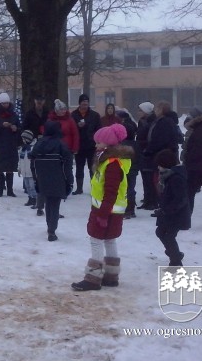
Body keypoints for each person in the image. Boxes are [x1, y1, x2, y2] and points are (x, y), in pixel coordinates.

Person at [72, 123, 132, 291]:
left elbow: (111, 191)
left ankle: (93, 278)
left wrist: (103, 214)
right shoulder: (108, 160)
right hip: (112, 209)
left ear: (108, 144)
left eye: (99, 143)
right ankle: (111, 276)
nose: (96, 145)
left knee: (96, 240)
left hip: (106, 210)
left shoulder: (111, 164)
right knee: (109, 239)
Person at [30, 121, 73, 240]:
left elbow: (32, 163)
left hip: (42, 179)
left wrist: (36, 179)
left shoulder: (38, 144)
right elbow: (67, 166)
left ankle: (50, 227)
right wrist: (69, 181)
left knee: (48, 203)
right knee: (54, 204)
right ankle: (52, 231)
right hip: (58, 179)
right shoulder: (61, 145)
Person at [141, 101, 182, 211]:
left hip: (164, 156)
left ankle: (163, 205)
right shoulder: (159, 121)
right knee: (159, 180)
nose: (155, 110)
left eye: (158, 108)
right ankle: (162, 205)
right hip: (160, 154)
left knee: (162, 181)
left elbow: (160, 140)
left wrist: (149, 150)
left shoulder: (165, 122)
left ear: (163, 110)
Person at [153, 149, 191, 267]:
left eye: (159, 165)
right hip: (168, 213)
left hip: (176, 214)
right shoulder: (168, 176)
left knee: (169, 236)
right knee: (160, 232)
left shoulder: (176, 178)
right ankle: (175, 254)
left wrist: (168, 210)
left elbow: (180, 199)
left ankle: (176, 261)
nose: (158, 168)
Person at [0, 92, 21, 197]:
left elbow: (19, 127)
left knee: (10, 168)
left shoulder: (13, 114)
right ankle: (0, 189)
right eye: (3, 103)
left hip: (11, 144)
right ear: (0, 103)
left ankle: (10, 190)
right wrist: (2, 125)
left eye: (7, 103)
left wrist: (15, 128)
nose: (6, 105)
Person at [71, 94, 101, 195]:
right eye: (83, 102)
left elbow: (99, 130)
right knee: (79, 167)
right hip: (79, 145)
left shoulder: (95, 115)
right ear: (79, 103)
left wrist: (96, 140)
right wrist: (78, 126)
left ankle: (94, 187)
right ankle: (79, 188)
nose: (85, 104)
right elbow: (71, 130)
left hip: (91, 146)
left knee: (92, 167)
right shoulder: (74, 115)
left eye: (87, 102)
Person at [116, 109, 139, 218]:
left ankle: (126, 208)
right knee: (131, 188)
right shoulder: (135, 144)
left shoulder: (121, 145)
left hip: (123, 169)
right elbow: (139, 157)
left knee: (124, 188)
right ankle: (131, 209)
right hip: (133, 169)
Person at [136, 101, 157, 209]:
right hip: (142, 152)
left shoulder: (151, 122)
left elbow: (149, 138)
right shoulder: (142, 121)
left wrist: (143, 146)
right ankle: (147, 200)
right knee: (145, 178)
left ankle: (152, 201)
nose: (138, 112)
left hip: (148, 153)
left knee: (150, 178)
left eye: (140, 110)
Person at [19, 130, 37, 207]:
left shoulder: (33, 148)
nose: (23, 140)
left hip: (31, 172)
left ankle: (35, 199)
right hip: (24, 171)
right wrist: (19, 168)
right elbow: (20, 160)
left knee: (33, 186)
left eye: (24, 139)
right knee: (27, 186)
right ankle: (30, 198)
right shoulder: (22, 149)